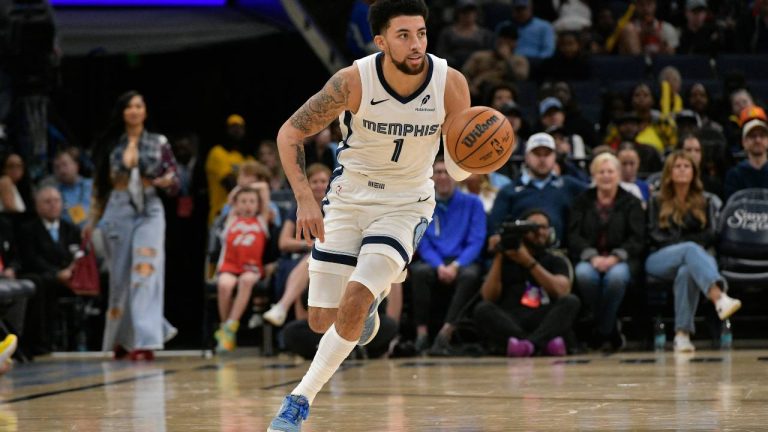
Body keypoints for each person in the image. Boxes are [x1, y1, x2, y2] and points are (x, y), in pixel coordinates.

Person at [267, 1, 472, 430]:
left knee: (356, 298)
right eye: (403, 35)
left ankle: (298, 400)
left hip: (406, 204)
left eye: (421, 33)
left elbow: (456, 166)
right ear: (380, 41)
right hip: (347, 200)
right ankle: (370, 304)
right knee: (322, 320)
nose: (416, 44)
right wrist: (305, 198)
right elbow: (290, 132)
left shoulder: (450, 83)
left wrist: (476, 158)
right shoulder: (352, 82)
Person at [87, 91, 179, 361]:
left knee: (145, 271)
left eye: (139, 105)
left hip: (149, 207)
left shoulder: (158, 142)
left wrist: (166, 181)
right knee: (120, 277)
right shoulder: (110, 144)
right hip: (118, 206)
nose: (134, 111)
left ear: (145, 111)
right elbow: (100, 186)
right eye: (129, 106)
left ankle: (145, 340)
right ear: (122, 112)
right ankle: (121, 339)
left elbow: (175, 181)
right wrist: (91, 221)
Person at [645, 151, 742, 352]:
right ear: (669, 172)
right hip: (660, 257)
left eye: (686, 166)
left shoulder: (705, 201)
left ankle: (682, 335)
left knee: (686, 272)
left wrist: (689, 250)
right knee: (690, 250)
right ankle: (718, 296)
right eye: (677, 166)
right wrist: (685, 247)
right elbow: (653, 234)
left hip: (697, 259)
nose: (682, 170)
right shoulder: (656, 200)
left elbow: (711, 234)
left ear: (693, 172)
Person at [473, 209, 580, 357]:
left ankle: (527, 345)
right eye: (533, 227)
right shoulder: (505, 259)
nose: (539, 232)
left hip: (544, 318)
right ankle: (542, 344)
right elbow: (488, 296)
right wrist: (499, 255)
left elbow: (561, 291)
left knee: (571, 301)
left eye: (544, 227)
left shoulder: (556, 259)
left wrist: (528, 262)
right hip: (512, 319)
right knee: (482, 309)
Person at [568, 153, 645, 351]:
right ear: (594, 175)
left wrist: (616, 257)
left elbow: (637, 238)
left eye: (610, 171)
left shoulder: (631, 202)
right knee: (584, 275)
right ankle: (610, 329)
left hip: (621, 259)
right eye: (601, 172)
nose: (606, 176)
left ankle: (601, 330)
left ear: (618, 175)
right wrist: (592, 256)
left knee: (616, 278)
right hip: (590, 258)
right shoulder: (581, 201)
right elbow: (574, 236)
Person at [409, 157, 485, 354]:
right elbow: (422, 241)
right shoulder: (424, 205)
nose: (442, 177)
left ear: (457, 178)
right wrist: (439, 266)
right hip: (436, 261)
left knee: (471, 275)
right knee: (418, 272)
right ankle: (422, 334)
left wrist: (456, 265)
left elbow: (477, 240)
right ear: (431, 177)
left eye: (447, 172)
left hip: (462, 260)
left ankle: (446, 332)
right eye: (438, 172)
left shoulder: (473, 203)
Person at [263, 164, 331, 327]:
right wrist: (313, 244)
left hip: (331, 259)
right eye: (314, 181)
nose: (320, 185)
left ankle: (282, 307)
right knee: (311, 261)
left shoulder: (338, 207)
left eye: (323, 181)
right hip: (299, 258)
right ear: (307, 185)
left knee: (314, 262)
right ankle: (301, 330)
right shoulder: (298, 207)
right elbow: (283, 242)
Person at [19, 187, 81, 355]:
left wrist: (71, 270)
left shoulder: (71, 229)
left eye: (56, 201)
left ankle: (89, 341)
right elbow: (31, 258)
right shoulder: (28, 230)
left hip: (71, 277)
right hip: (46, 277)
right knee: (43, 283)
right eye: (47, 202)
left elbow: (80, 254)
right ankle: (44, 341)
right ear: (38, 206)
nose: (53, 205)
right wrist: (56, 274)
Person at [214, 185, 271, 353]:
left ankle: (229, 327)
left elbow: (264, 189)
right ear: (236, 205)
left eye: (252, 201)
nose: (248, 205)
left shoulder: (261, 219)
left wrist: (248, 187)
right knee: (224, 284)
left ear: (258, 205)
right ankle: (226, 329)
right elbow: (230, 199)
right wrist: (238, 190)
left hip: (251, 268)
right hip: (230, 266)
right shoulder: (231, 218)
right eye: (243, 201)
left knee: (246, 281)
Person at [205, 114, 253, 225]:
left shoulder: (247, 158)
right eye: (233, 126)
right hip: (222, 214)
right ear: (226, 130)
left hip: (246, 216)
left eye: (240, 127)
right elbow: (230, 184)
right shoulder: (217, 153)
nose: (237, 130)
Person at [724, 106, 768, 200]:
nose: (758, 140)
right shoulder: (735, 175)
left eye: (762, 135)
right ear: (744, 142)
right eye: (752, 136)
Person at [50, 148, 93, 229]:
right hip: (71, 236)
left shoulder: (93, 185)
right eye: (57, 167)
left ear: (76, 166)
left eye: (65, 165)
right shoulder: (53, 194)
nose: (62, 170)